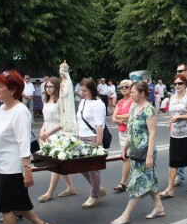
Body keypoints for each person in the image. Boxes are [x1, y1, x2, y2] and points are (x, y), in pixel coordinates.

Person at [0, 70, 54, 224]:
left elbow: (23, 142)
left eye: (0, 87)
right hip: (2, 165)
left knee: (7, 207)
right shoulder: (2, 109)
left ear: (12, 90)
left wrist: (27, 170)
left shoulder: (20, 112)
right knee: (18, 203)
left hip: (14, 167)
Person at [110, 81, 164, 224]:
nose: (130, 94)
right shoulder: (134, 107)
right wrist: (124, 147)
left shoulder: (149, 109)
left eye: (133, 92)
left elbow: (152, 134)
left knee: (136, 182)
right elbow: (130, 129)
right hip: (135, 152)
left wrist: (149, 156)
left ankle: (125, 215)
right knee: (149, 179)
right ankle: (159, 207)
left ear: (142, 94)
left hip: (145, 152)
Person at [159, 74, 187, 198]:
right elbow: (172, 113)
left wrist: (180, 117)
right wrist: (170, 123)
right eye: (175, 83)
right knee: (173, 162)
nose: (177, 86)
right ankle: (170, 188)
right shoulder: (172, 97)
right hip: (175, 134)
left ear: (185, 84)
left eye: (180, 83)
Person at [37, 76, 76, 203]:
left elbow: (63, 122)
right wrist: (42, 130)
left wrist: (48, 132)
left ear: (57, 87)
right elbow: (45, 119)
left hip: (58, 134)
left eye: (51, 86)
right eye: (47, 86)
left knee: (55, 163)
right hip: (47, 133)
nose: (48, 89)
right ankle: (70, 187)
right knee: (59, 163)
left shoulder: (60, 101)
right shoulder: (46, 101)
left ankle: (49, 192)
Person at [77, 78, 107, 208]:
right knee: (80, 166)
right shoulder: (82, 102)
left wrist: (99, 143)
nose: (82, 93)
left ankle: (94, 196)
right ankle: (98, 188)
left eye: (85, 90)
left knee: (92, 169)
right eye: (81, 90)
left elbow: (99, 124)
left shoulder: (98, 104)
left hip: (92, 138)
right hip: (81, 138)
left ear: (92, 90)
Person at [111, 80, 133, 193]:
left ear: (131, 88)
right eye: (121, 87)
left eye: (126, 87)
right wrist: (123, 121)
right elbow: (113, 118)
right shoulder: (120, 102)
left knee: (127, 157)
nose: (123, 89)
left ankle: (123, 183)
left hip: (130, 133)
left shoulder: (133, 100)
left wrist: (119, 117)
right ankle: (128, 181)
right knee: (125, 157)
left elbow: (131, 115)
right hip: (122, 133)